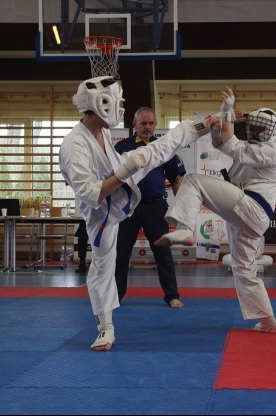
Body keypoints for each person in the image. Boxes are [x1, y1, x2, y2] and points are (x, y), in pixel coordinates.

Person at [59, 75, 222, 351]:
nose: (120, 108)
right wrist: (126, 170)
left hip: (130, 196)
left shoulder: (101, 131)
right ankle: (105, 328)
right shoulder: (74, 147)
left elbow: (156, 157)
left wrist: (129, 167)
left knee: (157, 149)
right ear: (102, 103)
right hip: (102, 212)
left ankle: (205, 124)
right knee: (104, 265)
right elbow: (91, 194)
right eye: (117, 102)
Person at [155, 86, 276, 334]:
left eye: (261, 129)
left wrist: (226, 112)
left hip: (251, 207)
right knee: (243, 269)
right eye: (255, 127)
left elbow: (231, 143)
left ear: (272, 131)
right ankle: (268, 321)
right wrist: (216, 128)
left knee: (192, 180)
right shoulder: (256, 147)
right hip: (250, 215)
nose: (256, 131)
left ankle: (185, 229)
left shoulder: (271, 151)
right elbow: (222, 143)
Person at [114, 107, 186, 308]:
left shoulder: (163, 147)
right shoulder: (121, 148)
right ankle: (115, 296)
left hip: (155, 206)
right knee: (121, 253)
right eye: (143, 123)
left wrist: (182, 207)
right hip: (127, 206)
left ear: (155, 125)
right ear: (134, 124)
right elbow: (111, 177)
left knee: (163, 251)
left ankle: (172, 295)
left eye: (151, 123)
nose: (147, 127)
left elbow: (176, 179)